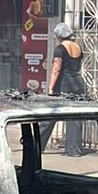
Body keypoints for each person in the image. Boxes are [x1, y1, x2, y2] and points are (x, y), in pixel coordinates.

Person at [41, 22, 84, 157]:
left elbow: (56, 69)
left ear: (59, 36)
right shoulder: (78, 47)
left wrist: (50, 88)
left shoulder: (60, 49)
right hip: (78, 84)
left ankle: (37, 145)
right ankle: (74, 150)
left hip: (64, 84)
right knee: (74, 118)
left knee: (49, 114)